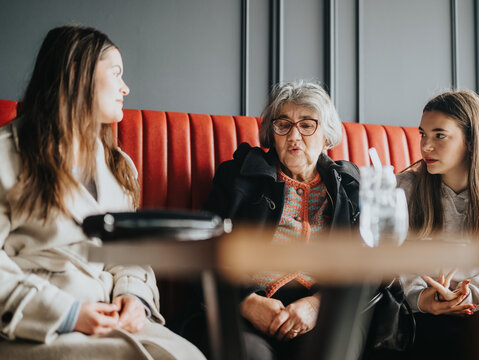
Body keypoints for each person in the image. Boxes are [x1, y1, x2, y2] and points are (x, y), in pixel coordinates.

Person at [0, 25, 205, 359]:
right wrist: (67, 314)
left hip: (111, 318)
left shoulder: (118, 165)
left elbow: (130, 254)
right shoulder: (6, 155)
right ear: (79, 76)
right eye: (116, 73)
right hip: (37, 327)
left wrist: (134, 299)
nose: (126, 87)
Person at [203, 80, 364, 359]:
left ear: (326, 136)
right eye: (283, 125)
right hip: (245, 306)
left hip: (320, 312)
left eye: (306, 124)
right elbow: (204, 246)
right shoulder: (238, 177)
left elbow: (368, 262)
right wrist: (247, 301)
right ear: (272, 133)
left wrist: (317, 305)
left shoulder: (349, 187)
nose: (294, 136)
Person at [396, 90, 479, 358]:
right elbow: (386, 261)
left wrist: (469, 294)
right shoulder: (403, 189)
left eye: (439, 135)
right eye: (422, 134)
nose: (426, 146)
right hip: (420, 316)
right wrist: (424, 298)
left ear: (471, 140)